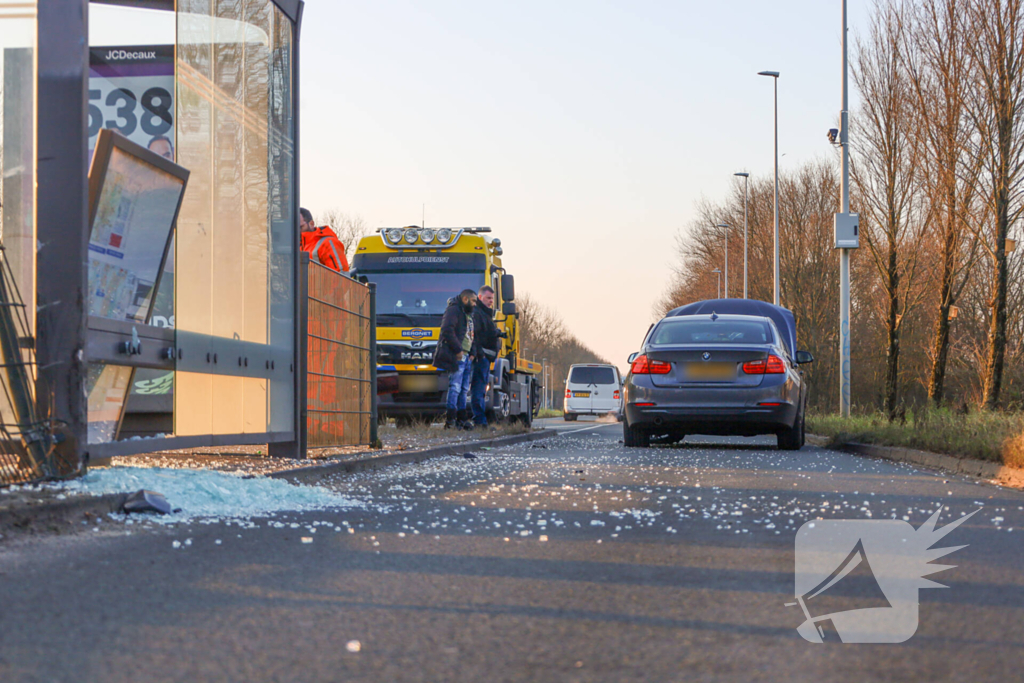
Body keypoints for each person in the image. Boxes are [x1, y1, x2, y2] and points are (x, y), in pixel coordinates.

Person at [433, 289, 476, 429]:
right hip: (458, 355)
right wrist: (458, 350)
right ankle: (451, 421)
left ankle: (461, 419)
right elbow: (447, 330)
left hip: (466, 355)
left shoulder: (467, 313)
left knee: (463, 389)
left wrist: (472, 351)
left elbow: (471, 334)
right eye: (474, 301)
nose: (475, 304)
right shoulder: (454, 310)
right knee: (455, 387)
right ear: (465, 299)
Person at [470, 285, 502, 427]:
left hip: (484, 357)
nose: (491, 301)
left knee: (480, 389)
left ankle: (481, 419)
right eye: (488, 298)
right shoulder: (477, 314)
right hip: (481, 358)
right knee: (478, 389)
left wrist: (495, 333)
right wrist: (481, 355)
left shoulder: (484, 314)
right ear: (480, 297)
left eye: (492, 299)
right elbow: (475, 336)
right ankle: (480, 421)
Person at [299, 207, 349, 272]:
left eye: (300, 227)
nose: (296, 231)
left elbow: (341, 277)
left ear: (311, 224)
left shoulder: (328, 243)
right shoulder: (294, 247)